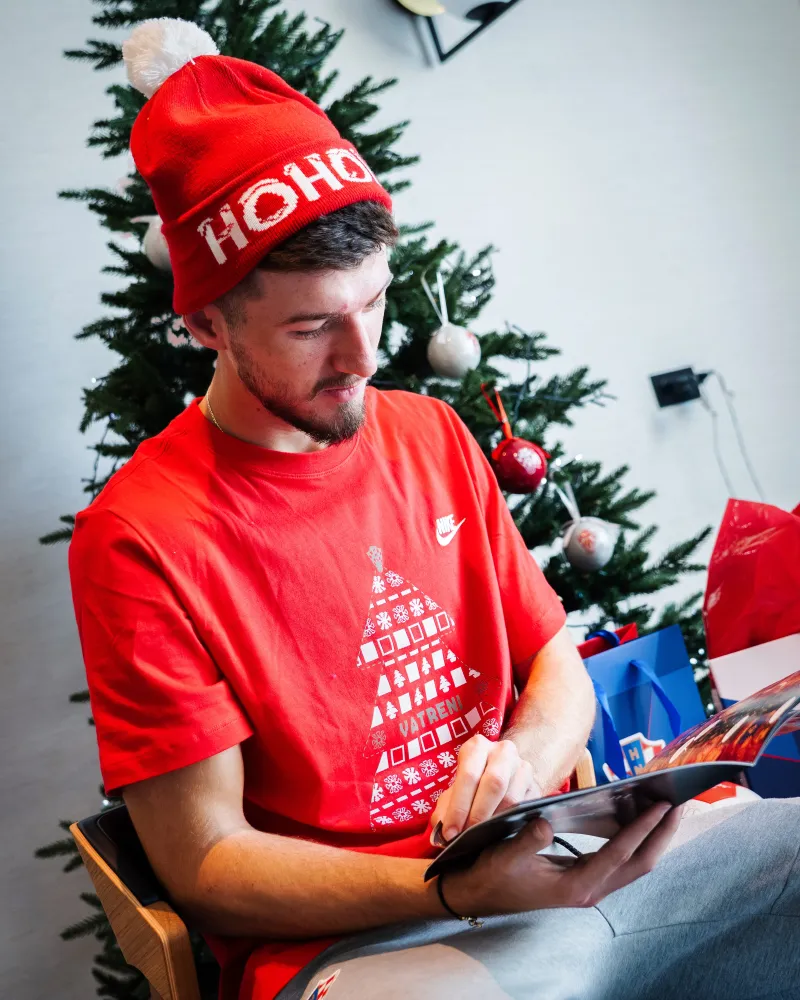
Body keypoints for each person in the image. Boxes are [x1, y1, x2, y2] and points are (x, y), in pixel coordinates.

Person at [69, 18, 800, 1000]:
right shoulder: (138, 538)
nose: (363, 355)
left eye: (373, 301)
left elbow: (554, 664)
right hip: (372, 942)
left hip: (557, 869)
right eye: (310, 326)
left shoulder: (431, 431)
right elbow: (206, 864)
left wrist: (522, 768)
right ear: (205, 322)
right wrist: (449, 885)